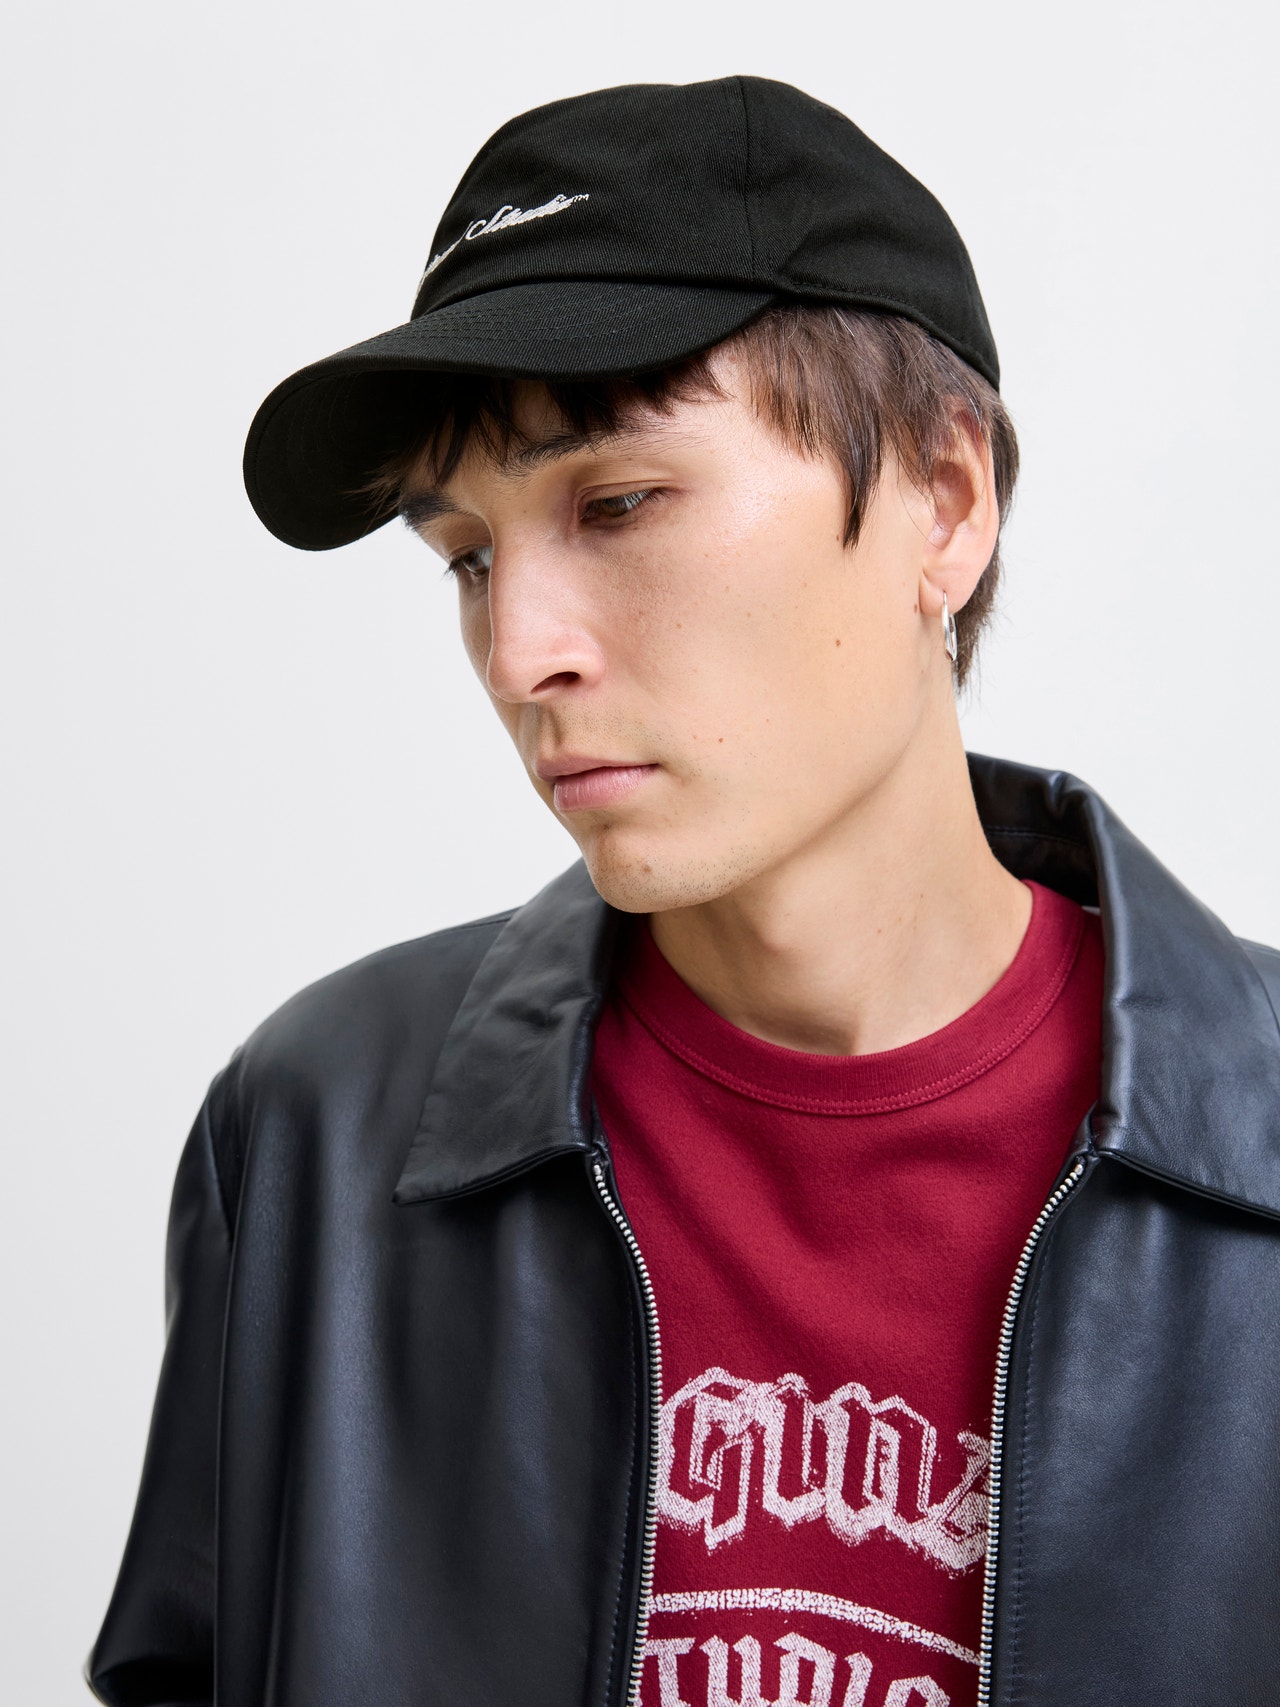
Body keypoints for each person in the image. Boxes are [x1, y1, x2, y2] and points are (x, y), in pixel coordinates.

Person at [87, 76, 1280, 1707]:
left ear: (944, 503)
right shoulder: (313, 1137)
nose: (519, 653)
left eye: (619, 504)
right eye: (468, 555)